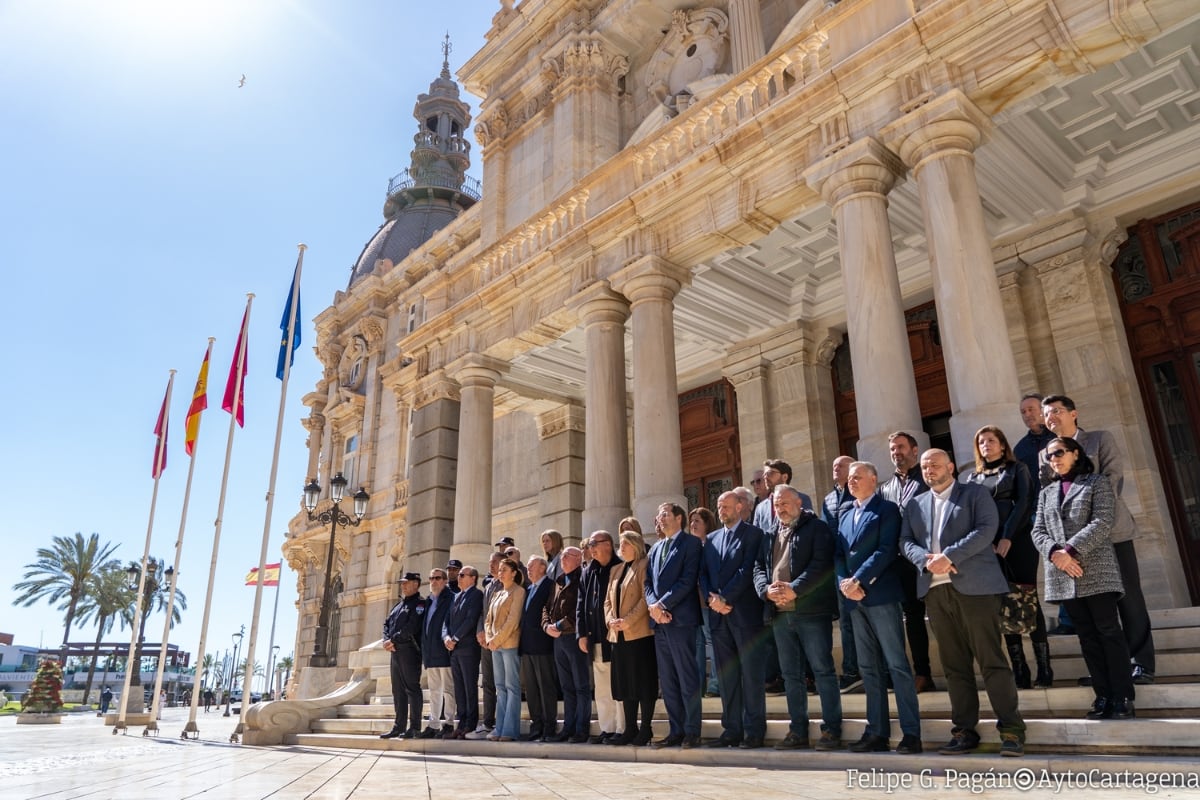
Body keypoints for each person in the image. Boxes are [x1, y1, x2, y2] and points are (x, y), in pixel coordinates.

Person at [901, 449, 1026, 757]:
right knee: (955, 666)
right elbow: (905, 542)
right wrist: (926, 560)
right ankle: (964, 731)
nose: (928, 470)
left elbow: (986, 529)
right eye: (925, 466)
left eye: (934, 464)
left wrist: (949, 557)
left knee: (991, 661)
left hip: (976, 589)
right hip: (935, 591)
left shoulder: (974, 493)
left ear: (951, 467)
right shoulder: (915, 504)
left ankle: (1011, 729)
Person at [1041, 394, 1156, 685]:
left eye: (1055, 411)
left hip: (1111, 532)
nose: (1050, 417)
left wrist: (1088, 522)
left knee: (1128, 598)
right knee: (1093, 610)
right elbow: (1050, 496)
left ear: (1073, 413)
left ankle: (1141, 663)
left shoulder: (1099, 439)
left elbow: (1113, 479)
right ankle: (1106, 671)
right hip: (1075, 546)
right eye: (1046, 414)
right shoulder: (1047, 452)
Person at [1031, 436, 1133, 720]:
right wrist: (1056, 553)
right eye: (1050, 456)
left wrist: (1070, 551)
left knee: (1109, 633)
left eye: (1060, 453)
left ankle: (1122, 696)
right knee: (1087, 638)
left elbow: (1102, 521)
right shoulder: (1046, 493)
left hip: (1095, 569)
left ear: (1076, 454)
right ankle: (1102, 696)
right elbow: (1037, 530)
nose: (1055, 459)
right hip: (1064, 574)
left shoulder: (1096, 482)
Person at [836, 461, 922, 754]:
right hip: (853, 600)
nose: (852, 482)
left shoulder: (886, 510)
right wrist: (843, 582)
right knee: (868, 668)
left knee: (897, 665)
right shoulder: (845, 514)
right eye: (849, 478)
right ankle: (877, 732)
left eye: (857, 477)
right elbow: (839, 556)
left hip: (880, 595)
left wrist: (859, 580)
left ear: (874, 480)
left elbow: (886, 550)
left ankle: (911, 733)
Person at [754, 484, 843, 751]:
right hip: (780, 615)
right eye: (777, 505)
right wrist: (766, 591)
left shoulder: (816, 528)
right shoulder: (769, 534)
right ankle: (798, 730)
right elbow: (759, 568)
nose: (780, 508)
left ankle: (832, 730)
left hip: (811, 612)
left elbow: (821, 564)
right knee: (791, 675)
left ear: (799, 503)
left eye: (785, 503)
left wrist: (795, 589)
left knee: (823, 671)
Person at [961, 425, 1050, 689]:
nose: (986, 445)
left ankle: (1044, 666)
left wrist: (1007, 536)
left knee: (1026, 598)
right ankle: (1019, 668)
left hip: (1018, 541)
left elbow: (1024, 503)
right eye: (981, 442)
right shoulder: (972, 479)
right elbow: (972, 515)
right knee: (1003, 604)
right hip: (988, 548)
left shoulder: (1017, 469)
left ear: (1002, 444)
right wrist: (987, 542)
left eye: (991, 440)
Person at [701, 490, 767, 748]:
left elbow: (747, 570)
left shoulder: (754, 535)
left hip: (744, 614)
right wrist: (712, 598)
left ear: (740, 506)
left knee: (751, 675)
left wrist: (725, 598)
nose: (721, 510)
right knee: (727, 677)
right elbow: (704, 574)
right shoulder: (712, 539)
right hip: (718, 618)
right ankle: (732, 729)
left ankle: (754, 730)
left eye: (726, 506)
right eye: (719, 506)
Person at [878, 431, 935, 693]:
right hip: (897, 562)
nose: (896, 452)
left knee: (935, 615)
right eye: (892, 449)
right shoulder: (885, 488)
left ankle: (925, 671)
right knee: (909, 616)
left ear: (914, 450)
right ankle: (916, 673)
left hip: (925, 557)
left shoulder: (926, 479)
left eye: (900, 447)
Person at [646, 502, 704, 748]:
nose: (661, 519)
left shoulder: (691, 544)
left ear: (679, 518)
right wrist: (653, 606)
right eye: (659, 516)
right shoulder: (655, 548)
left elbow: (688, 579)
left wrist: (663, 605)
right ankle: (676, 729)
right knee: (668, 679)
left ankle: (692, 730)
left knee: (686, 677)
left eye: (666, 514)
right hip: (659, 623)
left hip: (681, 620)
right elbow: (647, 583)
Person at [605, 528, 658, 746]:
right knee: (625, 683)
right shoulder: (616, 570)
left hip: (639, 634)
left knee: (643, 682)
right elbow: (607, 601)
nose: (621, 548)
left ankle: (645, 728)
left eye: (625, 544)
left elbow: (645, 599)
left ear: (635, 545)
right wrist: (610, 620)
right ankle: (630, 728)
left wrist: (627, 620)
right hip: (618, 635)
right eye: (620, 544)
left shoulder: (644, 565)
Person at [577, 530, 624, 743]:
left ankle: (621, 728)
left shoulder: (621, 566)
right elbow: (581, 604)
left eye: (595, 543)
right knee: (602, 688)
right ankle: (607, 728)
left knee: (618, 685)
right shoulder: (588, 571)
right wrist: (581, 634)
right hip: (594, 636)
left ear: (608, 544)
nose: (591, 547)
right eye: (589, 543)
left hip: (615, 637)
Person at [822, 455, 862, 693]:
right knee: (846, 621)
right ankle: (851, 670)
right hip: (839, 568)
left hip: (861, 564)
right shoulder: (828, 498)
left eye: (841, 465)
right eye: (834, 465)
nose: (835, 468)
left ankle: (880, 669)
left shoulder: (859, 492)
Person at [544, 546, 590, 743]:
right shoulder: (559, 581)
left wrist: (560, 625)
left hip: (573, 636)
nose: (562, 559)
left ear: (578, 559)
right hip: (558, 640)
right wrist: (546, 626)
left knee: (581, 686)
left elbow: (581, 609)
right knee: (566, 687)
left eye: (567, 556)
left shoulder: (583, 578)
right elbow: (547, 607)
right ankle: (568, 728)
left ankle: (581, 729)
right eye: (562, 556)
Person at [483, 557, 526, 742]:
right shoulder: (497, 593)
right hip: (495, 646)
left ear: (514, 573)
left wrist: (496, 639)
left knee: (512, 687)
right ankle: (499, 728)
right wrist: (489, 638)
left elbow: (513, 621)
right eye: (499, 570)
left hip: (509, 645)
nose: (500, 573)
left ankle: (509, 730)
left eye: (504, 570)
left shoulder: (519, 591)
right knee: (500, 687)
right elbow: (488, 620)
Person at [380, 572, 425, 739]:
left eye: (406, 583)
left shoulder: (420, 604)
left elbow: (412, 627)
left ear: (416, 584)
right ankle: (399, 726)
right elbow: (387, 623)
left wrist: (393, 639)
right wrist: (386, 639)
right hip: (395, 651)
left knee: (412, 688)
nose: (403, 585)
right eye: (402, 583)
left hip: (409, 651)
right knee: (397, 690)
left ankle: (414, 727)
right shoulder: (398, 606)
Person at [519, 556, 558, 741]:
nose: (528, 569)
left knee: (546, 687)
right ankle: (537, 725)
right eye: (527, 567)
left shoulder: (550, 586)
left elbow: (548, 612)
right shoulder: (528, 588)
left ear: (543, 568)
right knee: (531, 690)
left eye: (531, 566)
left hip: (543, 645)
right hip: (527, 646)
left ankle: (549, 727)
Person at [442, 565, 483, 739]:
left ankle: (470, 724)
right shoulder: (456, 596)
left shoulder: (476, 595)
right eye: (458, 575)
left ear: (473, 578)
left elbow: (471, 619)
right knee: (459, 688)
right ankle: (461, 722)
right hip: (454, 650)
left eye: (462, 575)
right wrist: (446, 637)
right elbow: (446, 621)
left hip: (468, 648)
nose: (458, 577)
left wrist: (455, 638)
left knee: (469, 687)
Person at [466, 553, 504, 739]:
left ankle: (502, 722)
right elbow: (483, 613)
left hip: (500, 641)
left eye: (495, 562)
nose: (491, 566)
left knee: (502, 683)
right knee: (488, 683)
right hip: (485, 641)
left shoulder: (507, 585)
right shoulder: (488, 587)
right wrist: (480, 632)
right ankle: (488, 722)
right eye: (490, 563)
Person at [420, 567, 457, 738]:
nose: (433, 581)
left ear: (444, 581)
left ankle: (449, 722)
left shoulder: (450, 598)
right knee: (434, 690)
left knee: (448, 689)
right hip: (430, 652)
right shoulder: (428, 600)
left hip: (444, 650)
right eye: (431, 578)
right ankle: (433, 724)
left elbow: (449, 623)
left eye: (437, 578)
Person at [688, 507, 721, 698]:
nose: (693, 524)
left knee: (712, 642)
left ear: (707, 523)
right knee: (698, 645)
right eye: (691, 521)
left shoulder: (712, 544)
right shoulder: (689, 545)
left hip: (708, 603)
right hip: (692, 605)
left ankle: (715, 685)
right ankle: (698, 686)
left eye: (697, 521)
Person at [752, 459, 814, 532]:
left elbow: (808, 529)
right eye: (764, 475)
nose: (765, 477)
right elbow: (757, 536)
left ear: (784, 477)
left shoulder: (801, 499)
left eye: (770, 473)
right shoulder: (760, 508)